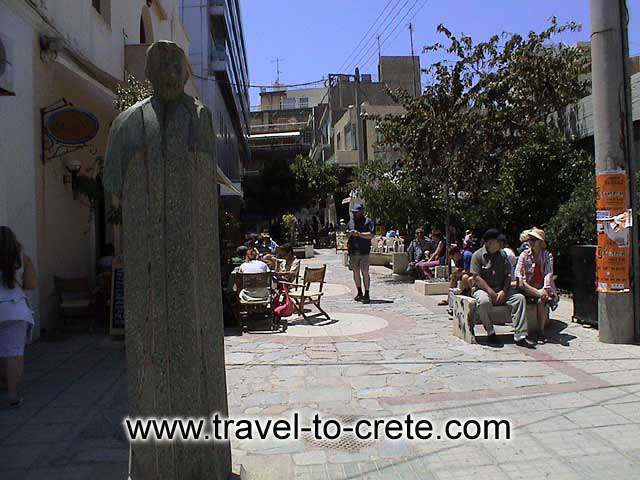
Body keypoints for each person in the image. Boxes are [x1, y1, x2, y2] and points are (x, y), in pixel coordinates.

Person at [470, 229, 534, 348]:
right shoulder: (477, 256)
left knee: (519, 298)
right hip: (483, 289)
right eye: (498, 242)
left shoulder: (503, 255)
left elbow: (508, 275)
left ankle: (520, 335)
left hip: (501, 288)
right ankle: (490, 332)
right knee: (483, 302)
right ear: (489, 243)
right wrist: (491, 292)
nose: (501, 244)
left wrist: (504, 291)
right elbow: (476, 277)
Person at [0, 226, 37, 407]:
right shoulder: (23, 258)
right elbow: (31, 284)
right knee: (13, 353)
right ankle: (12, 395)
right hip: (15, 309)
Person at [516, 227, 558, 343]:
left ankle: (540, 331)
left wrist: (545, 288)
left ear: (540, 242)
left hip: (541, 286)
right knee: (536, 294)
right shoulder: (524, 255)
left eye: (533, 240)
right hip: (528, 286)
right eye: (530, 239)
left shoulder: (547, 255)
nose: (530, 242)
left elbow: (548, 273)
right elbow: (518, 273)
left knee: (541, 301)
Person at [347, 204, 375, 303]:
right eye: (353, 212)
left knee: (365, 272)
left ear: (361, 212)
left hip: (364, 251)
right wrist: (348, 234)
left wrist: (359, 234)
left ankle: (367, 293)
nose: (354, 213)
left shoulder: (368, 221)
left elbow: (371, 235)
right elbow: (346, 234)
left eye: (356, 212)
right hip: (353, 252)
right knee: (355, 273)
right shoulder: (350, 222)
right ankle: (359, 292)